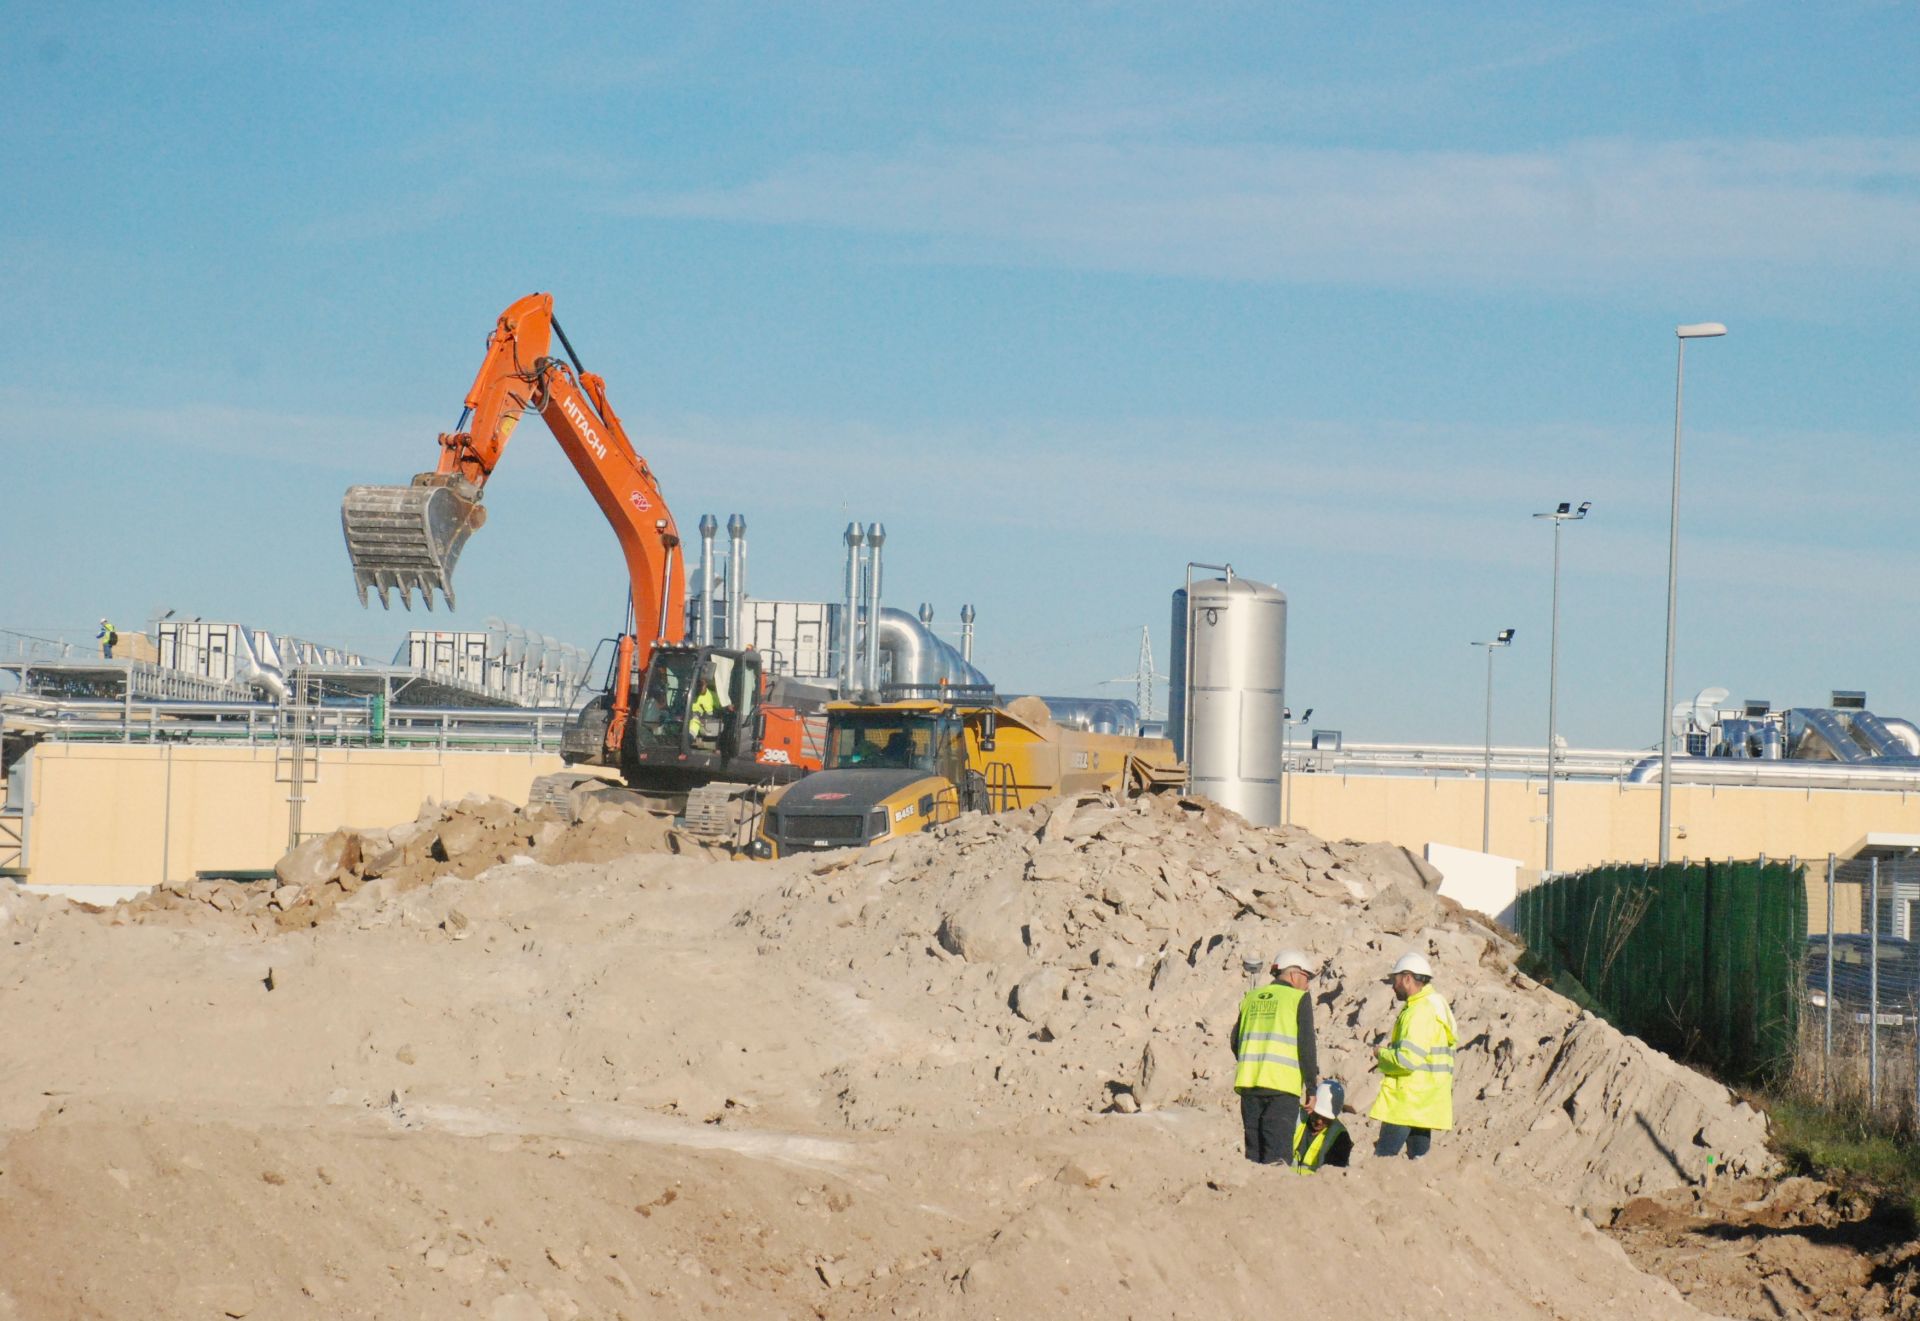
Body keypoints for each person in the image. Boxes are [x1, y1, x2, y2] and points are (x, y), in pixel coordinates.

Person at [1230, 947, 1319, 1165]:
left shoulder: (1251, 998)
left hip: (1249, 1085)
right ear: (1294, 974)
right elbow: (1306, 1046)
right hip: (1282, 1087)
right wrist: (1311, 1087)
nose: (1307, 985)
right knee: (1278, 1155)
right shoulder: (1298, 998)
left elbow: (1235, 1041)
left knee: (1254, 1152)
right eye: (1306, 978)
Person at [1369, 951, 1459, 1160]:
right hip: (1424, 1101)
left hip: (1407, 1100)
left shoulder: (1420, 1011)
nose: (1393, 986)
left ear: (1407, 978)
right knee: (1419, 1163)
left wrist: (1381, 1054)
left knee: (1382, 1161)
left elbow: (1407, 1059)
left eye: (1395, 980)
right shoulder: (1436, 1006)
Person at [1292, 1078, 1353, 1172]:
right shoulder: (1295, 1117)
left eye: (1325, 1118)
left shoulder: (1340, 1138)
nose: (1319, 1121)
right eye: (1316, 1115)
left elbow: (1334, 1176)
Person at [689, 671, 722, 745]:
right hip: (689, 715)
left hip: (702, 718)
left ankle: (690, 737)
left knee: (695, 723)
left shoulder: (710, 696)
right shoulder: (691, 693)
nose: (702, 687)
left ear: (706, 684)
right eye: (700, 685)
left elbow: (713, 711)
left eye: (703, 685)